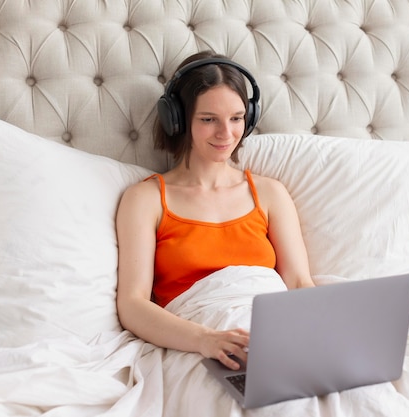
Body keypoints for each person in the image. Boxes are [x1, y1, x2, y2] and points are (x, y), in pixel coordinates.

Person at [115, 51, 315, 371]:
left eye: (236, 118)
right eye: (209, 119)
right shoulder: (145, 199)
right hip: (199, 349)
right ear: (177, 119)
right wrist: (205, 340)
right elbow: (132, 305)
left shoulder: (269, 193)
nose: (226, 133)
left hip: (277, 339)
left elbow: (300, 285)